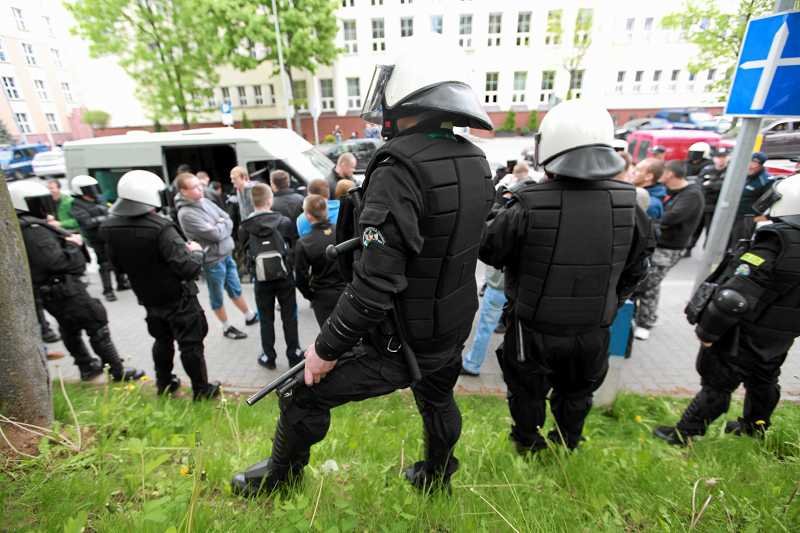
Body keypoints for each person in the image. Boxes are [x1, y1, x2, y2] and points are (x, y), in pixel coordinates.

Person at [230, 35, 495, 497]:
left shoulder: (399, 167)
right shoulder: (474, 159)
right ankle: (436, 476)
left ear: (409, 92)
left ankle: (280, 480)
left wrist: (326, 349)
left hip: (399, 339)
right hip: (449, 328)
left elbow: (376, 284)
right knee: (437, 398)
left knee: (301, 391)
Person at [479, 100, 653, 453]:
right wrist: (609, 302)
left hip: (534, 330)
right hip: (592, 331)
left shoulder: (526, 204)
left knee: (528, 395)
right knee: (576, 395)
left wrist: (496, 207)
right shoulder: (629, 203)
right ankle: (567, 445)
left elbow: (490, 251)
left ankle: (528, 446)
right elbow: (639, 267)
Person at [654, 174, 800, 445]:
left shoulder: (776, 242)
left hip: (746, 330)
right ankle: (754, 427)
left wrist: (708, 331)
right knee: (764, 380)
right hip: (779, 334)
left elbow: (734, 298)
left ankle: (686, 432)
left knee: (718, 383)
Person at [101, 170, 221, 400]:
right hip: (178, 298)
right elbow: (188, 268)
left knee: (162, 340)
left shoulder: (109, 226)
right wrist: (196, 253)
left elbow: (116, 264)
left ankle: (164, 384)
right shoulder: (160, 228)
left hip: (148, 297)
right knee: (190, 345)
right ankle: (201, 390)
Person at [10, 181, 144, 382]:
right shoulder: (34, 230)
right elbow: (57, 262)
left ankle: (87, 366)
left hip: (51, 291)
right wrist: (74, 246)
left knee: (70, 328)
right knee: (96, 322)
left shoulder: (22, 227)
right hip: (64, 288)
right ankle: (117, 370)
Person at [175, 172, 259, 340]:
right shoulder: (186, 213)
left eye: (200, 185)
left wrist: (219, 224)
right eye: (195, 187)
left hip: (226, 254)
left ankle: (249, 315)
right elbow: (214, 235)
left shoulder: (204, 201)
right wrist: (220, 225)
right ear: (183, 191)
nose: (201, 189)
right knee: (217, 295)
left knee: (235, 287)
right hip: (212, 261)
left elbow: (227, 218)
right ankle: (226, 327)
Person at [633, 160, 704, 340]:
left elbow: (670, 218)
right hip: (662, 245)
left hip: (669, 248)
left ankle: (645, 323)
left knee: (648, 284)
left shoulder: (692, 194)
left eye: (663, 172)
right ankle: (648, 318)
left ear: (670, 174)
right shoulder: (673, 192)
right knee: (652, 282)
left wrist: (653, 224)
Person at [239, 183, 303, 369]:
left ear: (253, 202)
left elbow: (243, 251)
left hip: (261, 279)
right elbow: (294, 246)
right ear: (270, 200)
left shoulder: (245, 227)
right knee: (290, 316)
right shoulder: (283, 222)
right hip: (284, 277)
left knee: (266, 319)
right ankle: (294, 354)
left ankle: (269, 356)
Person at [69, 175, 131, 302]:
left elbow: (110, 211)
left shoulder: (98, 200)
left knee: (116, 259)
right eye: (89, 188)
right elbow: (87, 222)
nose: (93, 190)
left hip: (109, 234)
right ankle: (108, 290)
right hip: (96, 238)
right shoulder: (76, 205)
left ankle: (121, 283)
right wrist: (107, 217)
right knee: (104, 263)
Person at [294, 194, 346, 327]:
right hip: (347, 290)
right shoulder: (342, 231)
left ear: (309, 216)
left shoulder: (304, 242)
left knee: (330, 338)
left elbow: (300, 277)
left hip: (323, 295)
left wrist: (310, 295)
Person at [687, 146, 729, 253]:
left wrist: (710, 185)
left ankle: (708, 252)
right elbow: (699, 184)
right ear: (714, 158)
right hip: (703, 205)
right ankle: (688, 249)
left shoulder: (730, 172)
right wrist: (712, 185)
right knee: (695, 229)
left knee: (711, 232)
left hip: (716, 208)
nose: (721, 160)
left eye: (723, 157)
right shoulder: (707, 169)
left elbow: (724, 187)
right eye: (718, 157)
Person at [730, 152, 775, 246]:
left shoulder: (766, 181)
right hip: (731, 215)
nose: (750, 166)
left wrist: (765, 217)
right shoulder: (741, 175)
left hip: (747, 219)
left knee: (737, 246)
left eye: (754, 163)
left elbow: (772, 201)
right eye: (749, 162)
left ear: (761, 165)